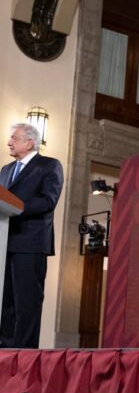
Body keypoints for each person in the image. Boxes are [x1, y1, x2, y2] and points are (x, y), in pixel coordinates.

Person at [0, 123, 64, 348]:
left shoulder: (49, 165)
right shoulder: (6, 170)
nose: (9, 142)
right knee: (5, 303)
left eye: (14, 138)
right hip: (4, 244)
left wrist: (17, 207)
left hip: (30, 244)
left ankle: (24, 356)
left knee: (26, 303)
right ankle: (5, 354)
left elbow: (49, 200)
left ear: (30, 142)